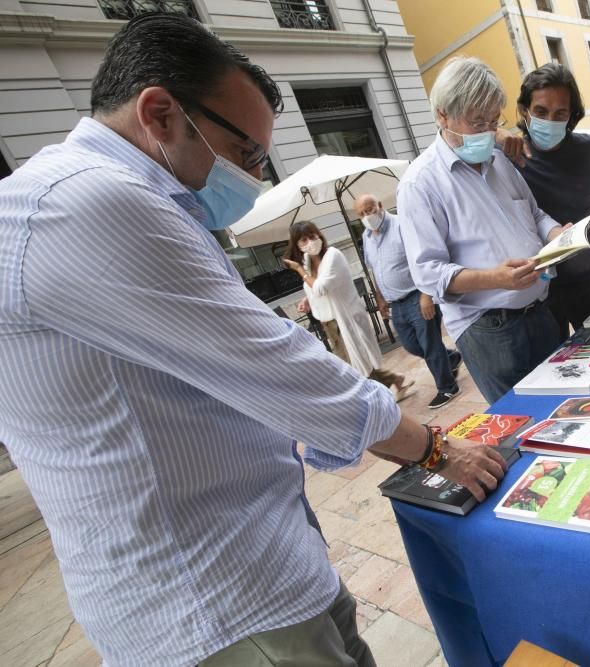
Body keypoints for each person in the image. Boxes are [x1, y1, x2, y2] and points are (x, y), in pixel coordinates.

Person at [0, 14, 506, 667]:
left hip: (267, 564)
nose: (257, 179)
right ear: (159, 113)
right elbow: (283, 369)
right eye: (248, 156)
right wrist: (437, 447)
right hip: (218, 600)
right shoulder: (84, 202)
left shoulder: (101, 195)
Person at [396, 57, 564, 404]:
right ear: (443, 115)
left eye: (493, 121)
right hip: (490, 329)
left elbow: (534, 214)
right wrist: (494, 279)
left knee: (568, 408)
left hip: (540, 310)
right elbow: (427, 274)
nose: (489, 132)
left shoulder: (499, 160)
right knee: (525, 425)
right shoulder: (420, 184)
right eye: (477, 123)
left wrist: (555, 234)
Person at [502, 63, 590, 338]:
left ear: (571, 115)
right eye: (541, 111)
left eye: (560, 113)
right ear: (524, 111)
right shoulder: (510, 156)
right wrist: (496, 133)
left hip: (588, 281)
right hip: (539, 294)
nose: (550, 120)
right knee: (559, 371)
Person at [283, 220, 414, 401]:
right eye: (303, 240)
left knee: (353, 365)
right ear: (297, 244)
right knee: (355, 363)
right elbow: (315, 288)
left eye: (312, 237)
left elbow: (321, 287)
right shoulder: (307, 261)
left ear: (319, 235)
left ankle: (378, 399)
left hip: (345, 318)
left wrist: (299, 271)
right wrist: (308, 299)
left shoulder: (332, 256)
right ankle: (394, 381)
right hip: (329, 320)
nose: (310, 243)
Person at [355, 194, 463, 409]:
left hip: (416, 295)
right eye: (362, 214)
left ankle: (447, 387)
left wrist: (426, 295)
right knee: (411, 345)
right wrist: (380, 297)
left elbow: (421, 260)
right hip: (396, 302)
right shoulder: (367, 237)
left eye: (370, 209)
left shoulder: (401, 226)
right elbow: (375, 269)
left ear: (379, 205)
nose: (368, 216)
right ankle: (449, 359)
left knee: (430, 344)